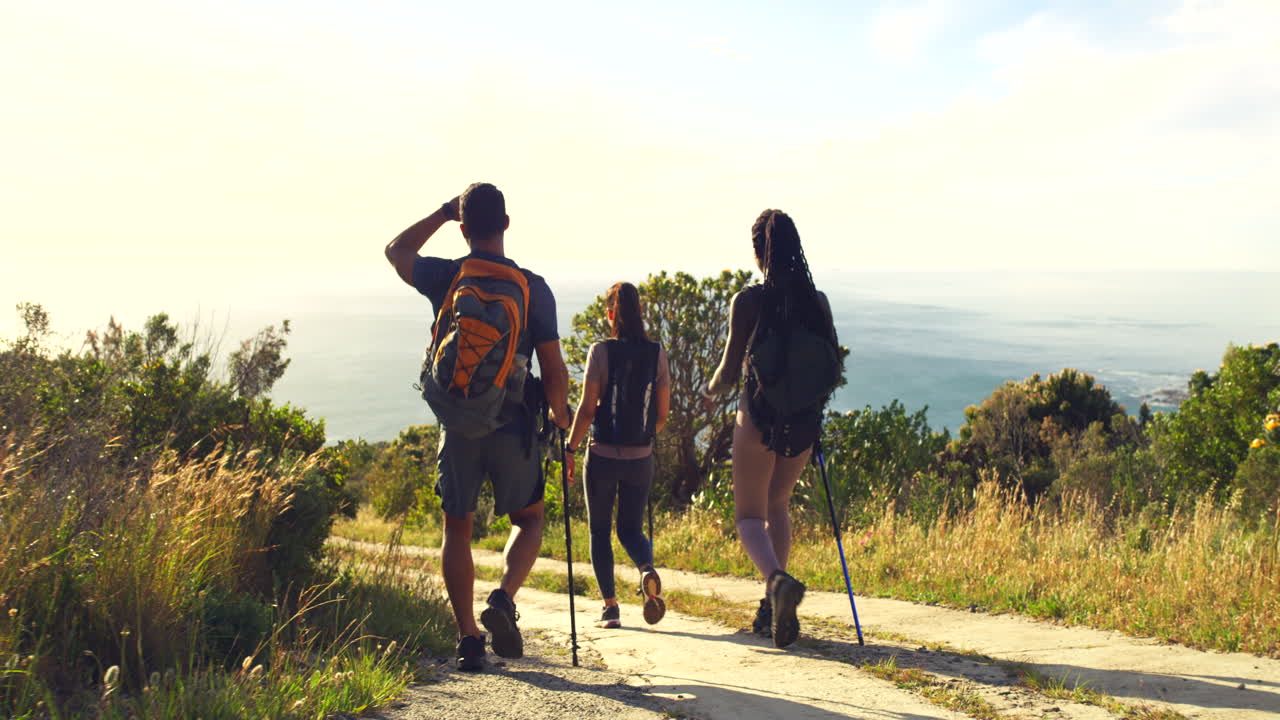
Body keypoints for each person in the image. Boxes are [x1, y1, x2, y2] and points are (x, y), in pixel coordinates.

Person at [384, 182, 570, 672]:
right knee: (529, 519)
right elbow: (553, 369)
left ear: (464, 229)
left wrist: (443, 212)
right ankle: (503, 598)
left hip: (459, 424)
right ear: (506, 225)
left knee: (458, 529)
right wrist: (564, 423)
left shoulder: (446, 276)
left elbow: (396, 250)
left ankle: (468, 637)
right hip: (513, 425)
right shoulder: (533, 288)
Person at [703, 209, 837, 648]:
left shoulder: (748, 301)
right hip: (803, 422)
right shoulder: (817, 302)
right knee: (779, 504)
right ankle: (770, 608)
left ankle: (777, 583)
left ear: (759, 252)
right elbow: (833, 365)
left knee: (748, 516)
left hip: (758, 415)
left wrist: (709, 389)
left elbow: (726, 372)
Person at [565, 282, 671, 629]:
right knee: (630, 529)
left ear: (611, 314)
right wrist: (641, 439)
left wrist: (570, 448)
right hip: (640, 458)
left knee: (599, 531)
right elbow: (662, 416)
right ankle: (646, 570)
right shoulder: (657, 353)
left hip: (602, 456)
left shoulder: (600, 351)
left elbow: (586, 409)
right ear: (640, 312)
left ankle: (610, 608)